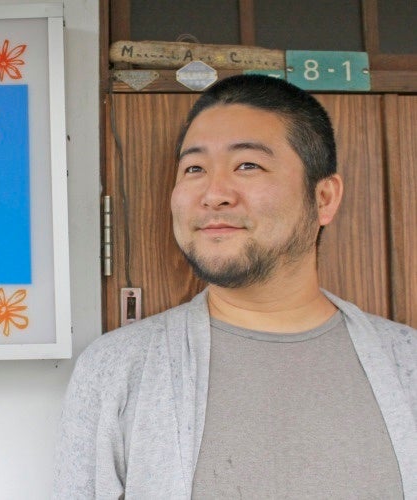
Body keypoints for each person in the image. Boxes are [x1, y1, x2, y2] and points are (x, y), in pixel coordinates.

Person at [54, 75, 416, 499]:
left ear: (323, 198)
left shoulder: (406, 363)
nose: (214, 194)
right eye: (194, 169)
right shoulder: (117, 368)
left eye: (247, 165)